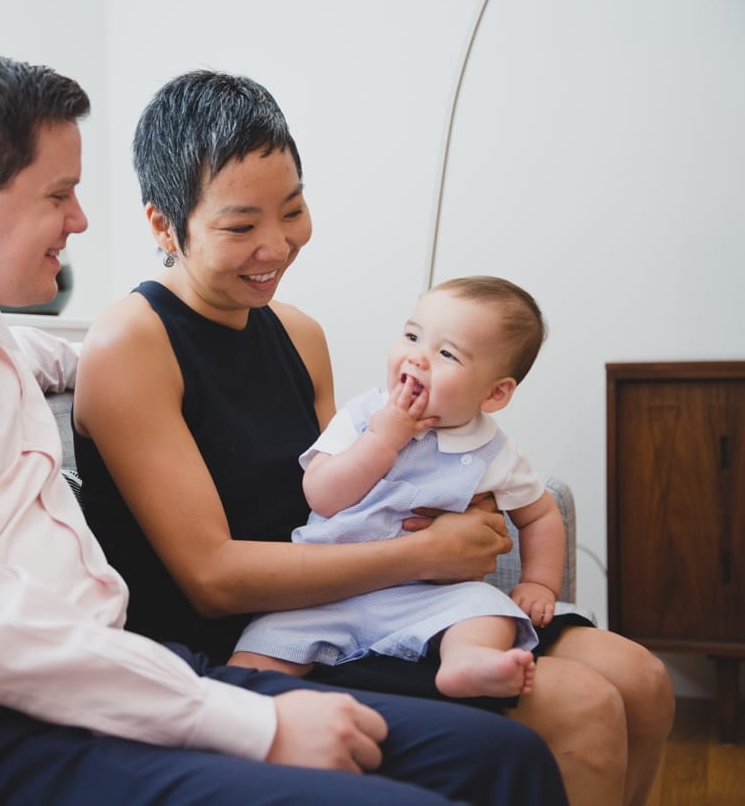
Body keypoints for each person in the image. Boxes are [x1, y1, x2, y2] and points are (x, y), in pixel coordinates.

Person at [0, 46, 567, 805]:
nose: (78, 220)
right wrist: (248, 724)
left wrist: (115, 359)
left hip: (101, 682)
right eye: (59, 195)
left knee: (505, 761)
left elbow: (52, 360)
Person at [73, 70, 674, 806]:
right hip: (261, 636)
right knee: (582, 703)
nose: (277, 244)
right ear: (165, 226)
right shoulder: (129, 347)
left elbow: (360, 482)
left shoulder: (298, 332)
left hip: (379, 591)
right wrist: (424, 552)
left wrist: (462, 507)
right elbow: (214, 578)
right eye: (240, 226)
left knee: (643, 682)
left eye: (292, 209)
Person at [229, 276, 567, 701]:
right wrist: (382, 441)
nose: (418, 358)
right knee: (259, 651)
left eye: (446, 353)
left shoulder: (494, 451)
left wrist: (539, 582)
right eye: (412, 336)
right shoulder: (363, 416)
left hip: (423, 598)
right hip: (325, 592)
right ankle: (233, 707)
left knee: (488, 608)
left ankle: (467, 662)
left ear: (495, 393)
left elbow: (539, 512)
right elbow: (322, 496)